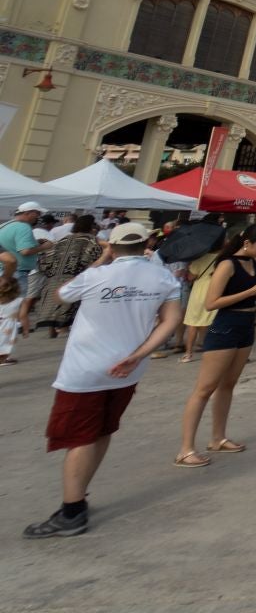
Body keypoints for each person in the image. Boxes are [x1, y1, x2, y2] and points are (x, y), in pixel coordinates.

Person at [24, 221, 183, 539]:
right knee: (102, 430)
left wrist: (101, 259)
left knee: (78, 438)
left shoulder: (97, 275)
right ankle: (78, 495)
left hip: (86, 368)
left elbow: (61, 295)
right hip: (128, 368)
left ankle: (71, 512)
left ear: (112, 245)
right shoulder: (163, 277)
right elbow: (171, 320)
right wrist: (139, 354)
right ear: (146, 243)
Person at [176, 224, 256, 467]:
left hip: (246, 324)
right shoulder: (227, 264)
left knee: (228, 385)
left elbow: (250, 294)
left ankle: (218, 437)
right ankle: (186, 449)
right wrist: (251, 291)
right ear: (247, 242)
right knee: (205, 388)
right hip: (225, 325)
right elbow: (211, 303)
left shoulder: (253, 264)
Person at [34, 215, 102, 338]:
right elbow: (93, 257)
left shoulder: (64, 239)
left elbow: (49, 256)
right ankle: (64, 330)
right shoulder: (91, 240)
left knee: (53, 301)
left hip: (54, 276)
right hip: (74, 275)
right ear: (90, 226)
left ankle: (52, 330)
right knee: (70, 302)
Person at [1, 202, 46, 331]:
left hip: (5, 269)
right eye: (37, 213)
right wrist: (44, 246)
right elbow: (24, 251)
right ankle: (14, 329)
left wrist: (35, 242)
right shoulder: (24, 227)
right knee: (16, 304)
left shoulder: (5, 225)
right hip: (17, 271)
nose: (38, 216)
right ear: (28, 213)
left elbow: (11, 245)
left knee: (5, 304)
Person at [1, 265, 22, 364]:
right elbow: (23, 316)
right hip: (8, 325)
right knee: (5, 341)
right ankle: (2, 359)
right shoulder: (18, 301)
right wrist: (25, 328)